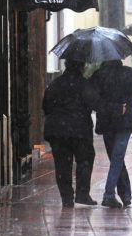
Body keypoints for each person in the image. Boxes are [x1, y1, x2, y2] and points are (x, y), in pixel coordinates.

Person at [42, 60, 114, 208]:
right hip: (79, 130)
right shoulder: (84, 84)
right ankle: (82, 193)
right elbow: (97, 104)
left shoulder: (55, 84)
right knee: (85, 160)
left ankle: (67, 197)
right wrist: (116, 109)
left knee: (62, 164)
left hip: (57, 131)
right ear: (81, 66)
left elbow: (46, 105)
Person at [90, 60, 132, 209]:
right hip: (125, 122)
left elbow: (92, 99)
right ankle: (112, 194)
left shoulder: (98, 76)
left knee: (116, 158)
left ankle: (123, 194)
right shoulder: (129, 73)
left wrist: (107, 108)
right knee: (117, 158)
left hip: (106, 122)